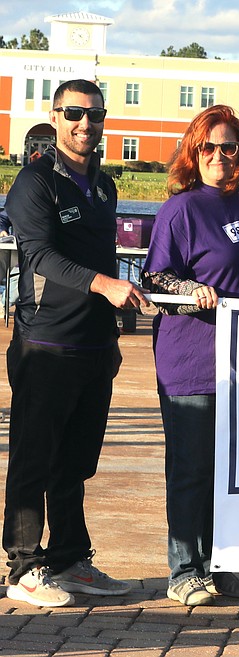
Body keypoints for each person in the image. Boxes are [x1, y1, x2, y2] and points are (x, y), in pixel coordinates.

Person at [3, 79, 145, 607]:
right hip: (45, 342)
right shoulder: (36, 182)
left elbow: (106, 259)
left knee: (76, 461)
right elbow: (39, 257)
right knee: (33, 459)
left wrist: (114, 330)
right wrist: (105, 285)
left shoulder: (104, 186)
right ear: (56, 116)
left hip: (92, 345)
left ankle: (68, 559)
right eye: (74, 114)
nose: (86, 124)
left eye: (95, 114)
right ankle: (22, 566)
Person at [141, 105, 239, 607]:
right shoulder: (183, 208)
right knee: (192, 467)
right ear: (193, 153)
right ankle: (184, 570)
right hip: (192, 358)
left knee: (230, 470)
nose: (219, 155)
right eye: (208, 147)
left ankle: (221, 565)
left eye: (229, 146)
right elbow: (155, 277)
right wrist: (190, 287)